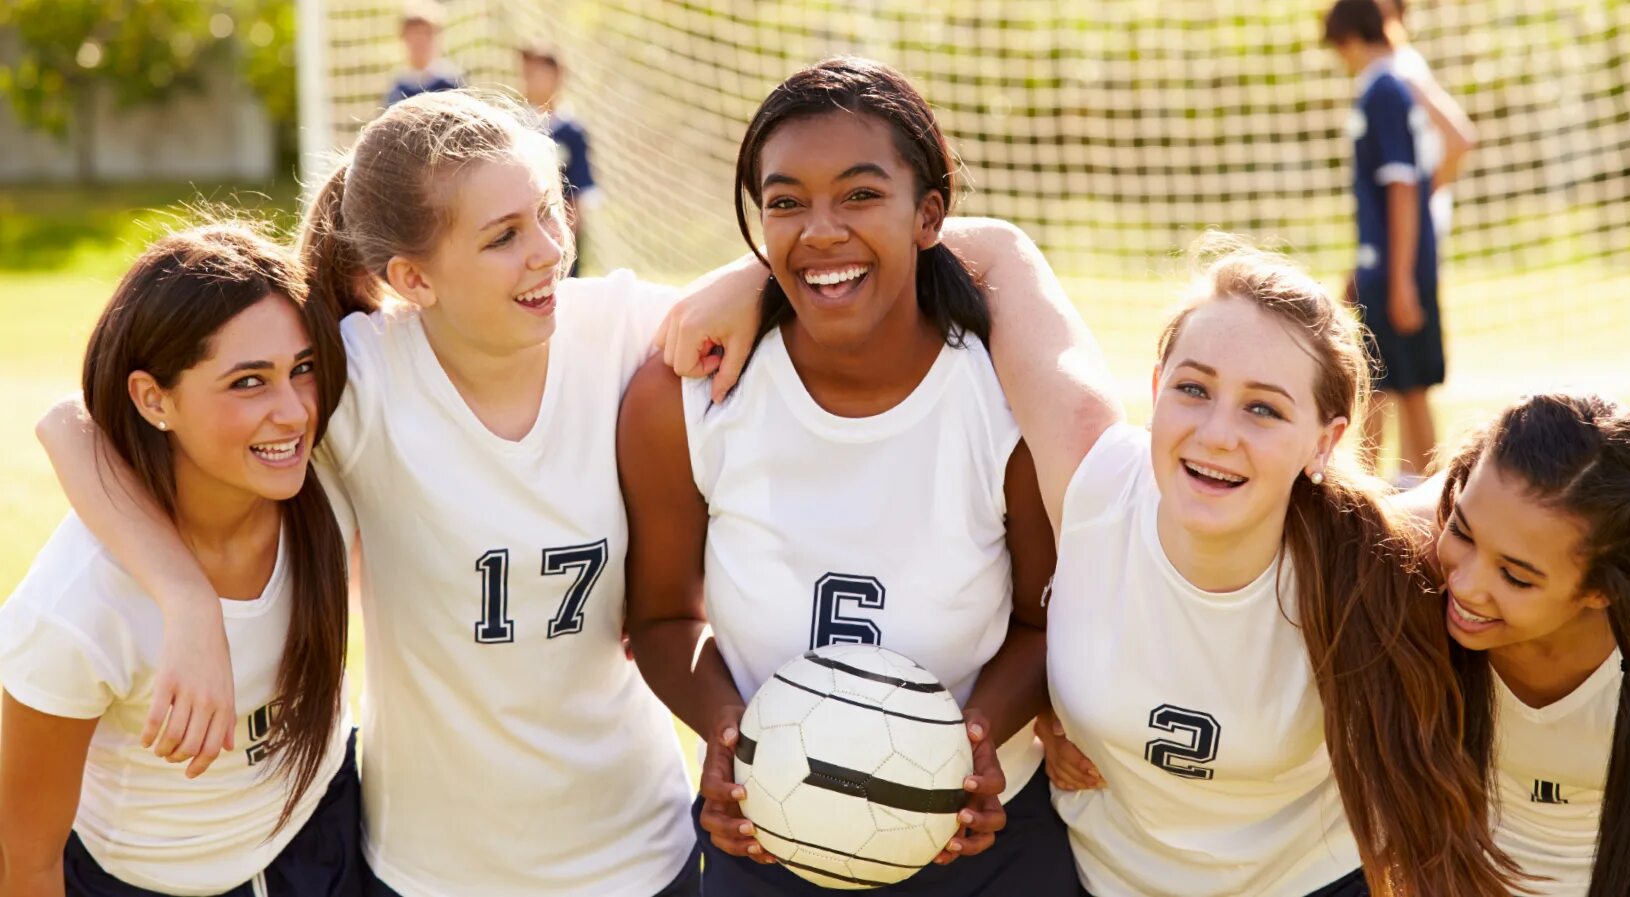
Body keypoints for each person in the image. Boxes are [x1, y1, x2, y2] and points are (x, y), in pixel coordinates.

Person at [35, 88, 1074, 897]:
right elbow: (80, 423)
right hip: (425, 866)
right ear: (412, 281)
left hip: (636, 852)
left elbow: (893, 255)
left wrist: (749, 276)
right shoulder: (358, 379)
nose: (546, 251)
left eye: (547, 212)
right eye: (502, 237)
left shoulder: (625, 334)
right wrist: (183, 601)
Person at [619, 57, 1080, 896]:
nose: (821, 231)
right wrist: (727, 733)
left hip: (983, 845)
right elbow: (659, 617)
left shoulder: (1002, 399)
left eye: (860, 194)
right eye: (785, 202)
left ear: (928, 214)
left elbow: (1044, 622)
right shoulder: (683, 397)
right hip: (765, 846)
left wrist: (974, 738)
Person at [1025, 237, 1518, 896]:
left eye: (1263, 408)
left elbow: (1569, 462)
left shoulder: (1375, 554)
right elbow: (999, 249)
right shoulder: (1093, 481)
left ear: (1324, 441)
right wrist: (1047, 709)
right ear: (1156, 388)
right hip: (1102, 880)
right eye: (1193, 388)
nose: (1216, 433)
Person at [0, 223, 362, 897]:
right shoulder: (76, 608)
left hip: (325, 837)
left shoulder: (334, 477)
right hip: (147, 882)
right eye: (248, 381)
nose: (293, 413)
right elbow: (24, 858)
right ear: (152, 399)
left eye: (302, 368)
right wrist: (189, 600)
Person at [1435, 394, 1630, 896]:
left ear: (1601, 590)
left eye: (1515, 577)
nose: (1464, 585)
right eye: (1461, 533)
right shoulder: (1412, 576)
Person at [1325, 0, 1444, 487]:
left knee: (1410, 387)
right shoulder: (1382, 89)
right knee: (1377, 385)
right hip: (1383, 267)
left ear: (1351, 39)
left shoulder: (1385, 91)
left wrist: (1400, 280)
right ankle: (1370, 490)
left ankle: (1428, 491)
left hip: (1400, 270)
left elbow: (1403, 189)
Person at [1376, 0, 1476, 241]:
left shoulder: (1401, 70)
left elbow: (1459, 139)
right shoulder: (1385, 69)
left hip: (1414, 220)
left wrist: (1415, 199)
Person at [520, 44, 596, 277]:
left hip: (562, 229)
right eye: (529, 74)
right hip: (525, 229)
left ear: (558, 78)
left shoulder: (572, 131)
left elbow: (579, 189)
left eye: (541, 74)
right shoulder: (517, 127)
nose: (534, 81)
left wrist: (568, 233)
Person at [384, 5, 463, 107]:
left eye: (427, 33)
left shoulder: (451, 82)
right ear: (403, 38)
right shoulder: (397, 89)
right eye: (414, 34)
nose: (421, 41)